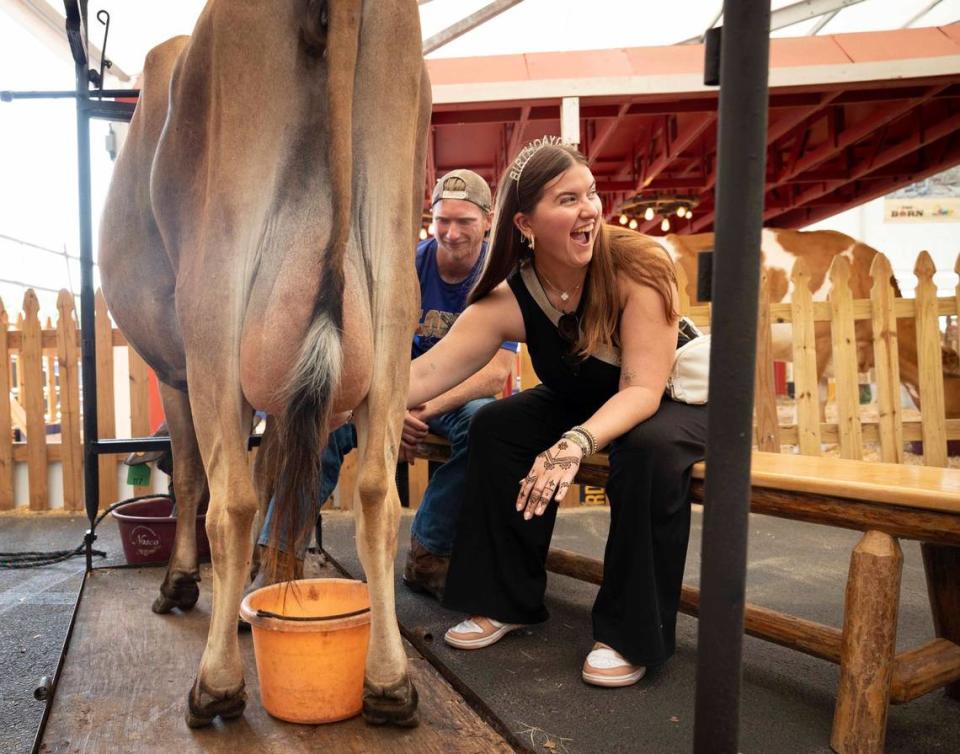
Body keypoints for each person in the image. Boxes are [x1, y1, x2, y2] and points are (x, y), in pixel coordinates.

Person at [406, 137, 708, 688]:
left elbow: (641, 393)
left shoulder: (638, 266)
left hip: (672, 399)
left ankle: (629, 633)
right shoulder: (514, 293)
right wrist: (340, 399)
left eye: (590, 194)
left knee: (645, 451)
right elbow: (424, 376)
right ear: (525, 223)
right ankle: (506, 600)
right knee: (495, 425)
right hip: (589, 398)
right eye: (567, 200)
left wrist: (573, 443)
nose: (589, 209)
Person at [254, 169, 518, 599]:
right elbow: (366, 349)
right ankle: (278, 558)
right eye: (442, 220)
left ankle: (428, 555)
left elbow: (495, 372)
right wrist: (390, 407)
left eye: (464, 222)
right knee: (324, 422)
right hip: (387, 391)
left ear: (488, 220)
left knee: (488, 424)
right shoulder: (402, 266)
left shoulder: (499, 276)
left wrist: (420, 410)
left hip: (451, 401)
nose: (451, 233)